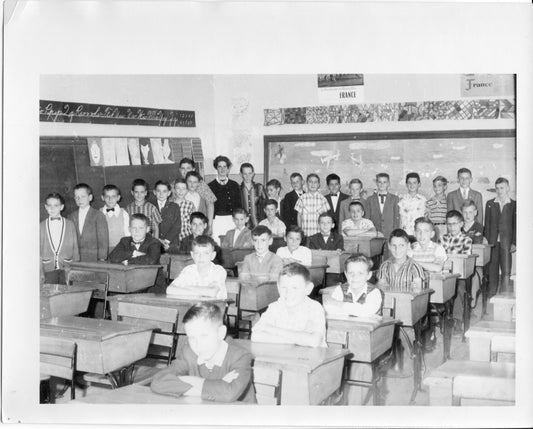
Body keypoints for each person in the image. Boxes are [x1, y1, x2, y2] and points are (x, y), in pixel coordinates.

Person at [150, 302, 256, 403]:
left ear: (221, 333)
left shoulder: (240, 356)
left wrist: (190, 381)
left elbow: (229, 394)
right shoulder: (189, 353)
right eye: (192, 338)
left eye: (204, 336)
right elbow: (158, 382)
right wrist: (215, 387)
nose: (198, 344)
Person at [251, 263, 327, 347]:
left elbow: (314, 341)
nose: (288, 293)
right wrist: (298, 339)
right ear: (278, 287)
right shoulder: (275, 307)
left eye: (294, 288)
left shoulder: (314, 308)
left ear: (308, 289)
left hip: (311, 358)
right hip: (285, 356)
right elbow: (255, 336)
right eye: (284, 287)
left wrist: (272, 329)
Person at [439, 210, 473, 331]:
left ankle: (457, 320)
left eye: (454, 223)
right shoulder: (442, 239)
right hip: (445, 274)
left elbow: (464, 259)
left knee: (458, 289)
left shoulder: (466, 240)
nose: (451, 227)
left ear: (461, 224)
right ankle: (442, 317)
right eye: (449, 224)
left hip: (460, 276)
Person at [484, 177, 516, 296]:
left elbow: (515, 225)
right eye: (497, 188)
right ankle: (491, 294)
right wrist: (487, 242)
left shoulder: (513, 204)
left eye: (502, 188)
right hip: (492, 243)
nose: (499, 190)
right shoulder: (490, 204)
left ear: (507, 188)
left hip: (506, 243)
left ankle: (504, 295)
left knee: (506, 270)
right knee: (492, 270)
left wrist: (514, 242)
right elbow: (487, 224)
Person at [40, 192, 79, 284]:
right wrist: (40, 272)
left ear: (62, 207)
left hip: (66, 267)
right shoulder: (41, 226)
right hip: (48, 269)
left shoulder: (70, 224)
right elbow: (38, 253)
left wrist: (73, 268)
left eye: (56, 205)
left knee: (65, 295)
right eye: (49, 205)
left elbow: (75, 249)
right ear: (46, 207)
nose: (52, 208)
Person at [68, 183, 109, 262]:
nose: (80, 200)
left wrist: (102, 258)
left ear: (90, 197)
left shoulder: (98, 215)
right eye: (77, 197)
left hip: (93, 258)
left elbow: (103, 240)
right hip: (76, 258)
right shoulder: (71, 216)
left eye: (83, 196)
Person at [208, 155, 243, 244]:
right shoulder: (209, 186)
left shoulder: (235, 185)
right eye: (219, 166)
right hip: (217, 221)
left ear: (228, 168)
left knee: (233, 244)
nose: (222, 169)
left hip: (232, 220)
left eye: (225, 166)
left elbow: (239, 206)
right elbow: (209, 208)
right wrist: (210, 225)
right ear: (216, 168)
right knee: (218, 245)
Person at [179, 158, 216, 234]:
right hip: (184, 227)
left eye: (188, 168)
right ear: (179, 170)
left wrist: (209, 225)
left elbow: (210, 204)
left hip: (200, 225)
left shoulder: (201, 184)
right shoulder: (175, 185)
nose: (185, 171)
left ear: (193, 169)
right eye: (183, 168)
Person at [365, 173, 400, 240]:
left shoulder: (395, 199)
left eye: (384, 182)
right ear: (376, 183)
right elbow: (367, 219)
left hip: (390, 233)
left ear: (388, 183)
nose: (382, 184)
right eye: (379, 182)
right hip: (374, 234)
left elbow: (396, 218)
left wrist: (395, 233)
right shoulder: (370, 199)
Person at [295, 173, 330, 238]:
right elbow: (299, 216)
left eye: (315, 182)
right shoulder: (302, 198)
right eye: (310, 182)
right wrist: (300, 231)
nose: (313, 184)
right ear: (307, 184)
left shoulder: (323, 199)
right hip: (305, 234)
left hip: (319, 235)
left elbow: (325, 218)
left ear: (318, 185)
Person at [100, 184, 130, 252]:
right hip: (104, 249)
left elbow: (128, 233)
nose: (110, 199)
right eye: (107, 196)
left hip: (120, 247)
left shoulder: (124, 213)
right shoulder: (99, 213)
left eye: (113, 196)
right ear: (102, 197)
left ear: (118, 197)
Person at [154, 180, 181, 251]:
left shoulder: (175, 206)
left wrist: (166, 241)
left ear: (169, 193)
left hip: (171, 243)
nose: (161, 194)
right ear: (154, 192)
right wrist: (158, 240)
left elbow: (177, 226)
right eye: (158, 191)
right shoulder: (150, 206)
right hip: (155, 242)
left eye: (164, 191)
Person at [398, 172, 427, 237]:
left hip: (419, 234)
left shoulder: (423, 200)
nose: (412, 185)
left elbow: (425, 218)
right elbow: (399, 218)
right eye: (409, 183)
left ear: (419, 184)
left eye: (414, 183)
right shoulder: (401, 200)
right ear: (406, 184)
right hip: (404, 234)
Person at [239, 162, 267, 228]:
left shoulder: (260, 187)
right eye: (245, 174)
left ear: (253, 174)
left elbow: (266, 205)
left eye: (250, 173)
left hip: (259, 224)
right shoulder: (238, 189)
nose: (248, 176)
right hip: (243, 226)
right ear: (241, 174)